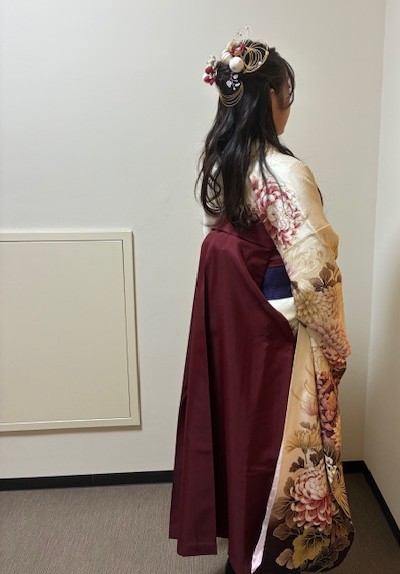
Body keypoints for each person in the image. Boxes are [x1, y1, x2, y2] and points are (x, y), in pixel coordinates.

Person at [169, 30, 355, 574]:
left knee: (241, 437)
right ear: (269, 97)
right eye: (287, 95)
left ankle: (246, 549)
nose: (289, 107)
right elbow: (315, 274)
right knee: (276, 445)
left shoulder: (225, 163)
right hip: (278, 336)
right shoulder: (286, 171)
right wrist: (335, 350)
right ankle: (270, 556)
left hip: (236, 327)